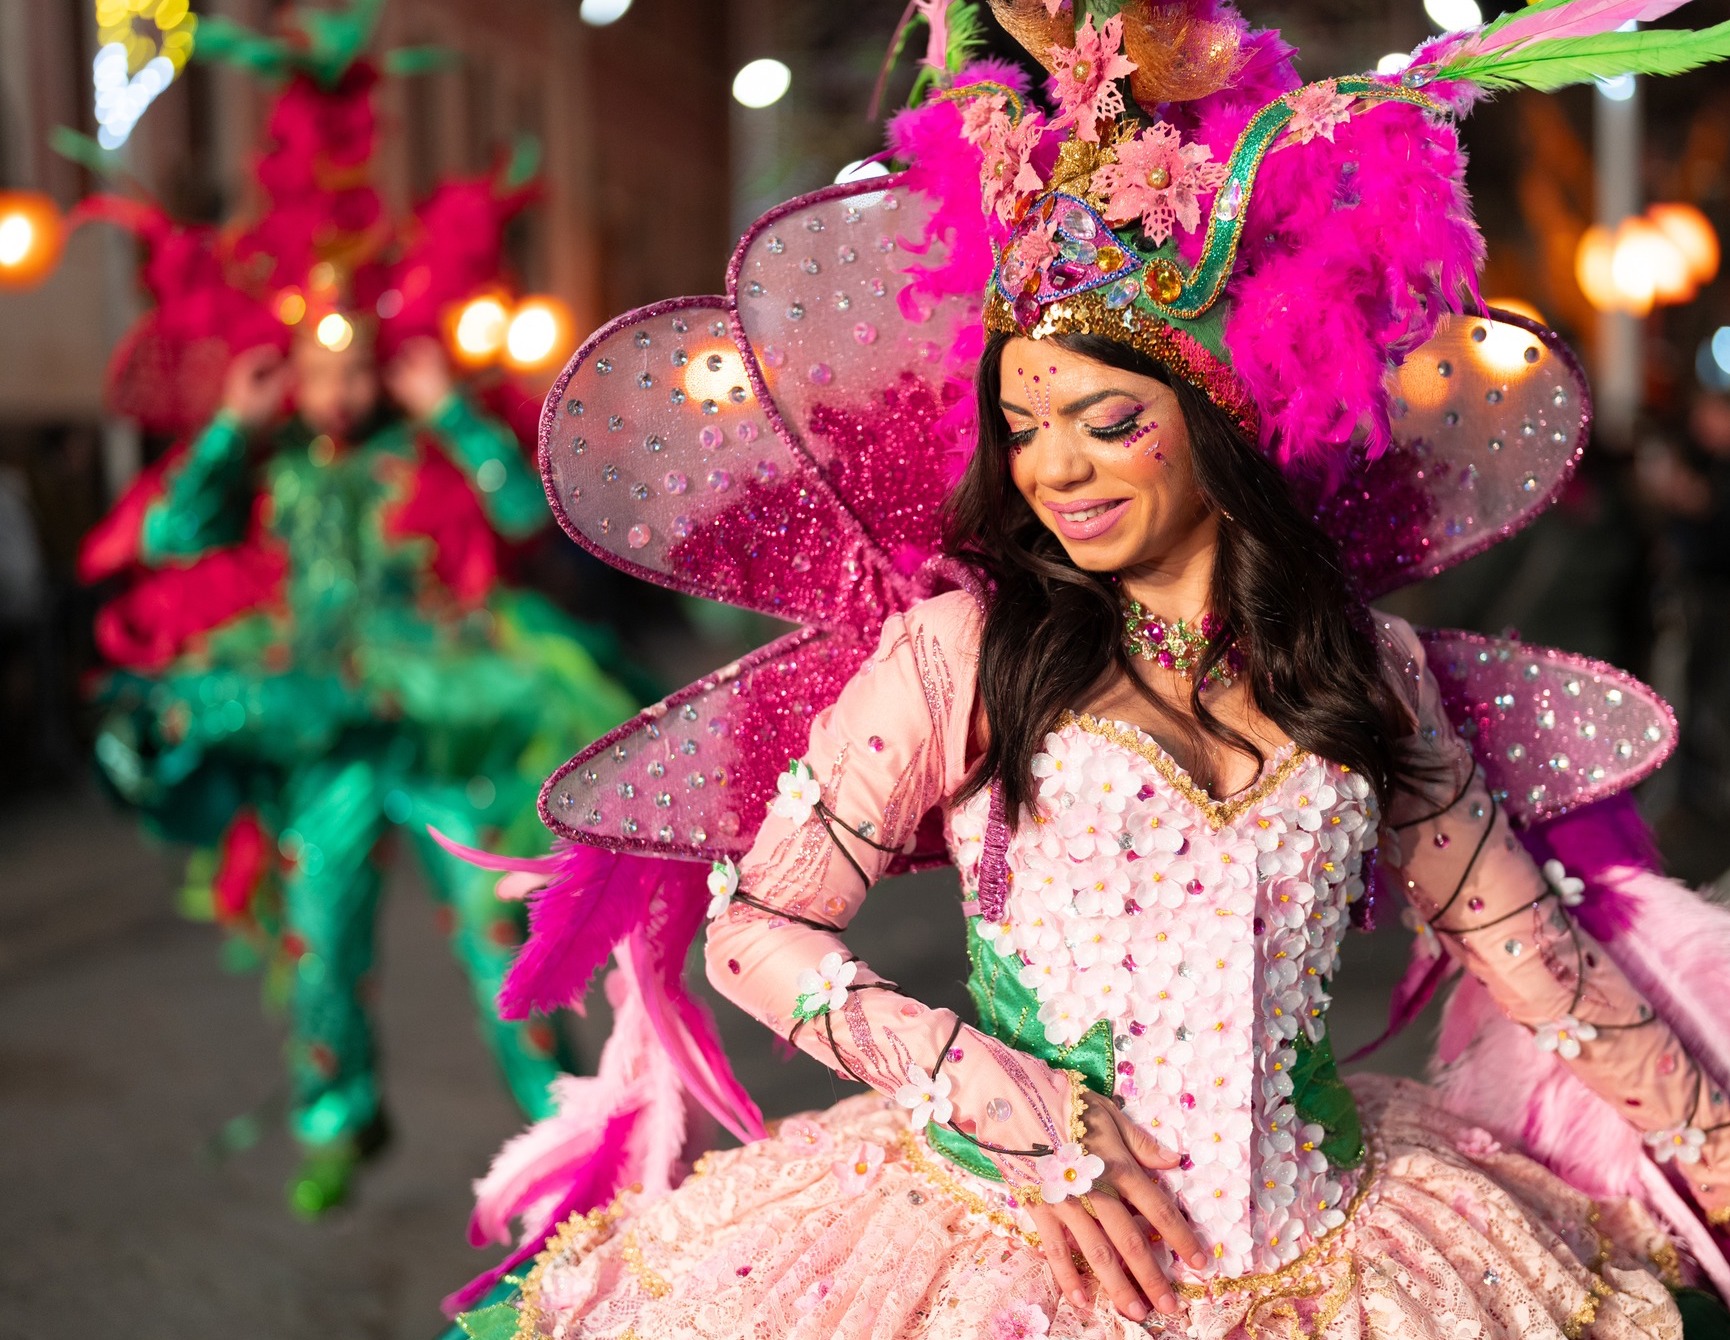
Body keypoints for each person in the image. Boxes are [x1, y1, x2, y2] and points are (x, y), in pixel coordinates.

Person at [444, 2, 1730, 1335]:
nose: (1055, 470)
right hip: (1003, 1258)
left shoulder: (1367, 667)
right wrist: (985, 1095)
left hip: (1346, 1259)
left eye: (1106, 422)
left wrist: (1708, 1141)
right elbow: (753, 929)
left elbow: (1524, 948)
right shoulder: (962, 657)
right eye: (1022, 429)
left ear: (1218, 426)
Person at [77, 4, 636, 1217]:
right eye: (310, 370)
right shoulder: (271, 469)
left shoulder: (419, 452)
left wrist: (443, 410)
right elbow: (170, 537)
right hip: (323, 734)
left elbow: (526, 517)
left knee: (500, 933)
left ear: (382, 360)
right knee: (321, 942)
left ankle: (566, 1138)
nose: (332, 390)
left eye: (351, 366)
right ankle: (339, 1114)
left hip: (444, 723)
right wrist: (233, 419)